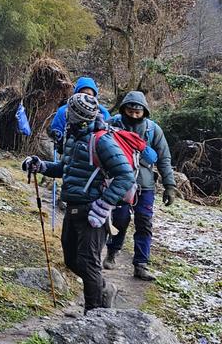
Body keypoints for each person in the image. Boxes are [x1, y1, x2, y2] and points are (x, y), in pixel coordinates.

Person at [24, 91, 136, 312]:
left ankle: (93, 314)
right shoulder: (74, 137)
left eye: (69, 112)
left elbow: (125, 175)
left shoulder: (102, 140)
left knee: (88, 262)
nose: (65, 115)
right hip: (73, 207)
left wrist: (103, 205)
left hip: (92, 211)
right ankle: (104, 290)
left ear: (77, 115)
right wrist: (42, 166)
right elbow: (67, 170)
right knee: (71, 260)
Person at [104, 91, 177, 281]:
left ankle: (141, 264)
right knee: (119, 220)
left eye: (138, 112)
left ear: (144, 111)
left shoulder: (153, 130)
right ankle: (112, 252)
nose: (134, 115)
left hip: (146, 185)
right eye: (130, 110)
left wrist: (169, 185)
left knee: (144, 223)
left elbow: (164, 158)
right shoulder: (112, 124)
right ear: (124, 109)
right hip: (119, 182)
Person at [48, 76, 111, 154]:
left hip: (93, 151)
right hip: (68, 148)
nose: (85, 96)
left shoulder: (102, 112)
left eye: (89, 94)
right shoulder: (64, 110)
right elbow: (57, 128)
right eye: (82, 93)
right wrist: (57, 134)